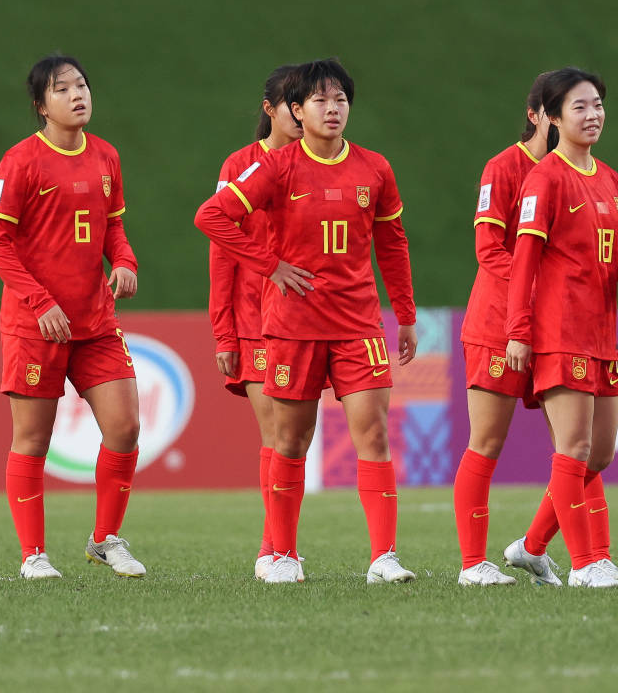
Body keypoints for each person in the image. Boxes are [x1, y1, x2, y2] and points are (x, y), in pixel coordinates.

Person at [195, 58, 418, 585]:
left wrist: (406, 315)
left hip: (359, 324)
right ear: (296, 110)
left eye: (340, 99)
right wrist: (269, 265)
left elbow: (392, 243)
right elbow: (212, 216)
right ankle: (282, 555)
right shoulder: (276, 166)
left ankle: (384, 557)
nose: (332, 108)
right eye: (320, 100)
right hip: (292, 326)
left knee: (375, 435)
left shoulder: (375, 169)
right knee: (290, 442)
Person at [0, 55, 146, 579]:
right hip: (36, 325)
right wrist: (40, 301)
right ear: (41, 105)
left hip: (95, 322)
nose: (77, 95)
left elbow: (113, 227)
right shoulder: (20, 161)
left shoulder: (106, 156)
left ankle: (105, 540)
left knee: (125, 426)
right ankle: (33, 555)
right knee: (33, 440)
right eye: (62, 89)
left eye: (82, 85)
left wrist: (124, 261)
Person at [504, 67, 618, 589]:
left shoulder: (610, 179)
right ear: (552, 118)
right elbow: (523, 261)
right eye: (579, 107)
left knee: (600, 453)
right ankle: (586, 564)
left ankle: (531, 548)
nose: (593, 115)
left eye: (597, 105)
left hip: (601, 334)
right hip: (558, 332)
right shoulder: (544, 178)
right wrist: (518, 330)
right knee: (572, 449)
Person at [453, 72, 554, 586]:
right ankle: (473, 564)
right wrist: (542, 285)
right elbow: (488, 249)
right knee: (487, 441)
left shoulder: (583, 174)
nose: (579, 117)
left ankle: (573, 556)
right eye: (561, 109)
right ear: (536, 115)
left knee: (579, 448)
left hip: (558, 328)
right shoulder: (504, 168)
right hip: (498, 325)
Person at [207, 65, 303, 580]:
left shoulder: (318, 163)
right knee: (276, 433)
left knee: (294, 437)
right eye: (294, 102)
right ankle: (274, 549)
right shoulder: (241, 165)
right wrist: (224, 332)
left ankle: (279, 547)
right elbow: (221, 251)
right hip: (254, 318)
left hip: (307, 320)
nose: (304, 112)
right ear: (270, 109)